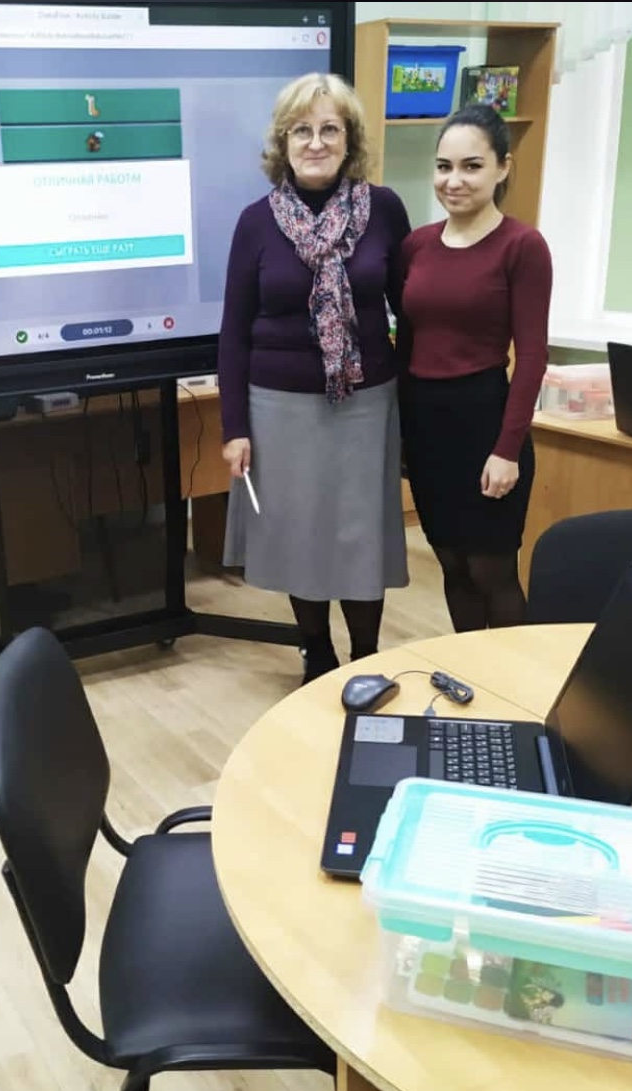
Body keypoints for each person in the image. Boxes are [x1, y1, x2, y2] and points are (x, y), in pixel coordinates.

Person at [218, 73, 411, 684]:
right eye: (302, 130)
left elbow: (410, 310)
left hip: (366, 403)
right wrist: (234, 427)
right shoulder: (256, 222)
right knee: (300, 536)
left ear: (350, 139)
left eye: (330, 129)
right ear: (283, 141)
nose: (316, 142)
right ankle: (318, 654)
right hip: (278, 408)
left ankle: (367, 656)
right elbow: (233, 331)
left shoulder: (385, 210)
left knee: (359, 536)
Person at [398, 103, 553, 632]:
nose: (454, 180)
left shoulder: (522, 246)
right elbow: (407, 343)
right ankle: (469, 671)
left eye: (471, 166)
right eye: (444, 166)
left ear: (503, 167)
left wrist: (507, 450)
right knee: (452, 564)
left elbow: (532, 355)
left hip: (485, 421)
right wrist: (401, 433)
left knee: (491, 569)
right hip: (426, 426)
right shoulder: (417, 245)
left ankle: (513, 676)